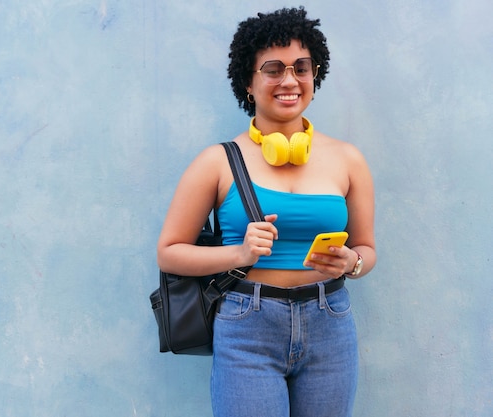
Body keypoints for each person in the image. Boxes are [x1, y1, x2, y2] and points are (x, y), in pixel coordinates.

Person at [157, 6, 375, 417]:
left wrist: (353, 262)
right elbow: (169, 252)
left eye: (301, 67)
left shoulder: (349, 160)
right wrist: (238, 254)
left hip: (330, 322)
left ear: (315, 74)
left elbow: (368, 249)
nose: (290, 80)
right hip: (247, 326)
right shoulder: (218, 161)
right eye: (273, 69)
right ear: (248, 82)